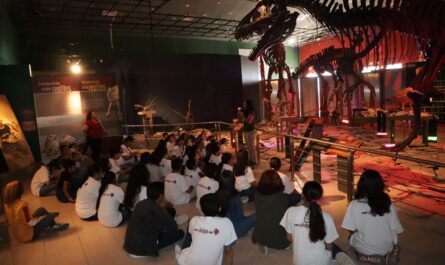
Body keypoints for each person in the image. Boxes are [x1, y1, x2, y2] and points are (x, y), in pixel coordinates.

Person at [341, 169, 403, 265]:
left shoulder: (355, 204)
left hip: (364, 248)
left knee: (351, 239)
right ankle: (387, 254)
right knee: (390, 236)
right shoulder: (388, 203)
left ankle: (366, 257)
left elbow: (349, 227)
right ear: (380, 185)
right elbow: (397, 229)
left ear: (361, 185)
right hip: (387, 247)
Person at [280, 181, 348, 265]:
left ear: (302, 195)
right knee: (333, 246)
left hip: (299, 262)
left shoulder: (291, 212)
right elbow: (329, 246)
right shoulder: (326, 217)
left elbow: (289, 238)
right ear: (320, 197)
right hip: (321, 262)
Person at [124, 182, 185, 258]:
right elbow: (173, 227)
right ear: (161, 196)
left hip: (129, 245)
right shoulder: (158, 210)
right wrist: (164, 209)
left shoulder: (140, 203)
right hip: (142, 250)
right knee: (179, 233)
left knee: (171, 212)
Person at [176, 193, 237, 265]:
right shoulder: (227, 223)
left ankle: (180, 255)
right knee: (228, 247)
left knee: (190, 228)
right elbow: (228, 251)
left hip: (188, 262)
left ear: (201, 209)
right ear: (220, 208)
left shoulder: (194, 220)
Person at [3, 180, 69, 242]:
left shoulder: (6, 205)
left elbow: (10, 222)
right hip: (29, 235)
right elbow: (30, 223)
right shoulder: (22, 205)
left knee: (41, 210)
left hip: (18, 234)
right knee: (50, 216)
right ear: (19, 191)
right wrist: (43, 218)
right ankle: (53, 226)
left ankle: (52, 226)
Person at [252, 170, 289, 252]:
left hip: (260, 232)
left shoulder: (257, 194)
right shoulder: (282, 197)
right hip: (277, 236)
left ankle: (264, 242)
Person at [217, 170, 256, 238]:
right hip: (235, 231)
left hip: (223, 228)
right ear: (233, 182)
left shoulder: (216, 194)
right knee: (256, 215)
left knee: (244, 217)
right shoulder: (235, 197)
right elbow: (240, 218)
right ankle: (247, 229)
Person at [242, 100, 257, 167]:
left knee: (252, 147)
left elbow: (249, 121)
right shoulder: (245, 112)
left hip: (251, 131)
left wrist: (242, 117)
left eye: (245, 104)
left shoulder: (252, 112)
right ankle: (250, 160)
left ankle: (254, 161)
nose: (244, 105)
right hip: (246, 130)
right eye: (244, 104)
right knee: (248, 147)